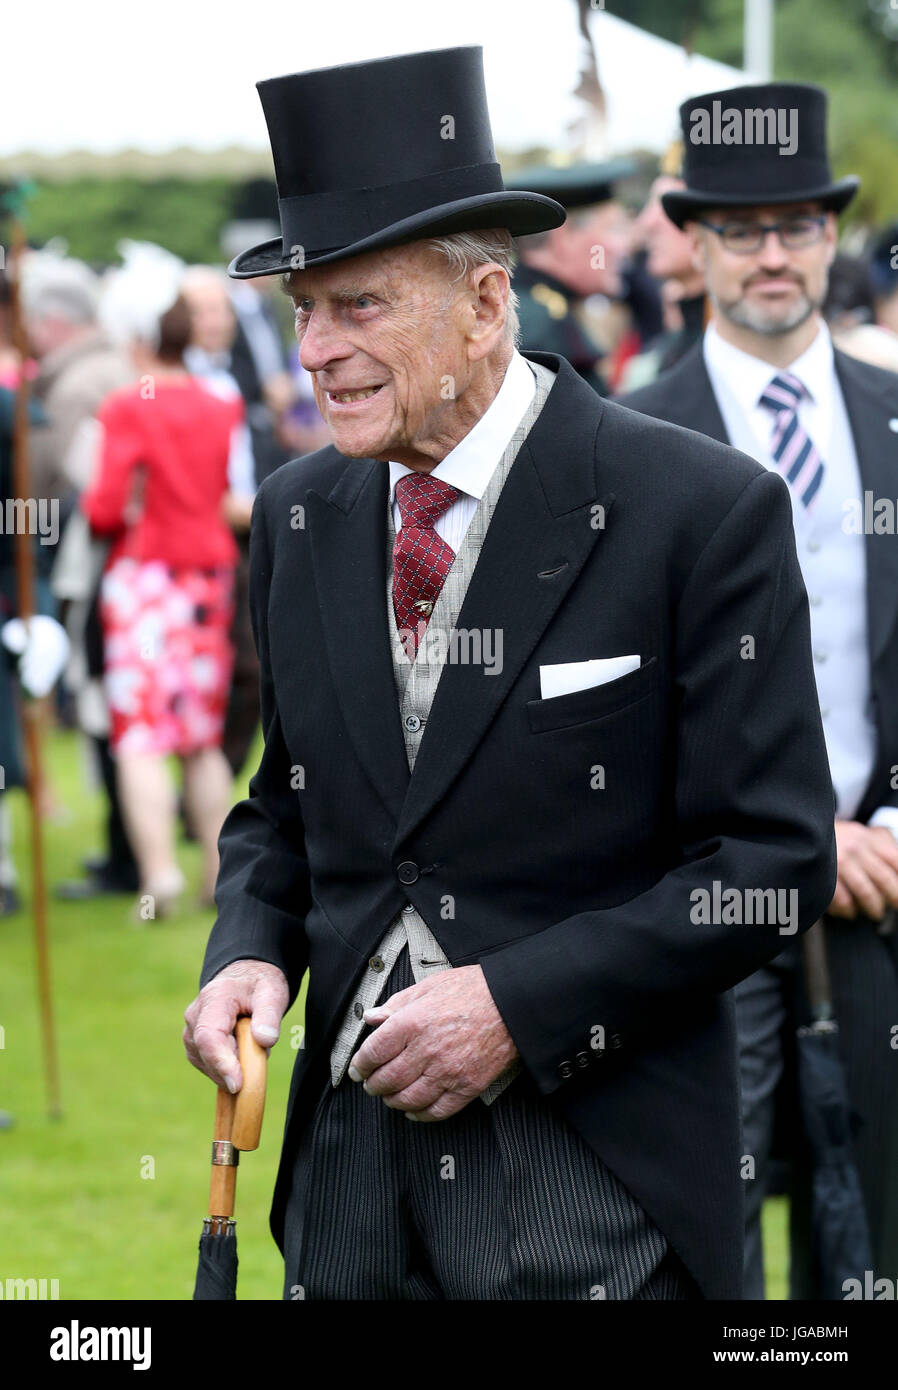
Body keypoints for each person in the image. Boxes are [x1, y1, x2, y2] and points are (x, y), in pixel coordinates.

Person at [182, 47, 836, 1302]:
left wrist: (517, 1007)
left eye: (356, 306)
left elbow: (770, 859)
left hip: (597, 1170)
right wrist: (247, 950)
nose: (313, 350)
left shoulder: (696, 511)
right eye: (300, 310)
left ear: (485, 305)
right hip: (349, 1181)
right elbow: (285, 807)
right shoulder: (299, 513)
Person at [619, 82, 898, 1298]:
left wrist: (881, 828)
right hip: (700, 893)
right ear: (694, 242)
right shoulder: (625, 440)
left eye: (794, 224)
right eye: (740, 229)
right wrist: (787, 840)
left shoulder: (896, 425)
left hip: (881, 886)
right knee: (707, 1233)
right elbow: (615, 701)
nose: (771, 254)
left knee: (874, 1237)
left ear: (831, 234)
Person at [81, 244, 242, 917]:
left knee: (143, 735)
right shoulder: (216, 402)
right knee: (201, 737)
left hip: (146, 579)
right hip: (208, 574)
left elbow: (104, 507)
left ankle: (159, 877)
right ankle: (216, 870)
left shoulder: (128, 406)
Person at [507, 159, 637, 393]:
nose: (624, 247)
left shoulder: (536, 310)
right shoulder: (544, 328)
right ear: (564, 238)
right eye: (613, 229)